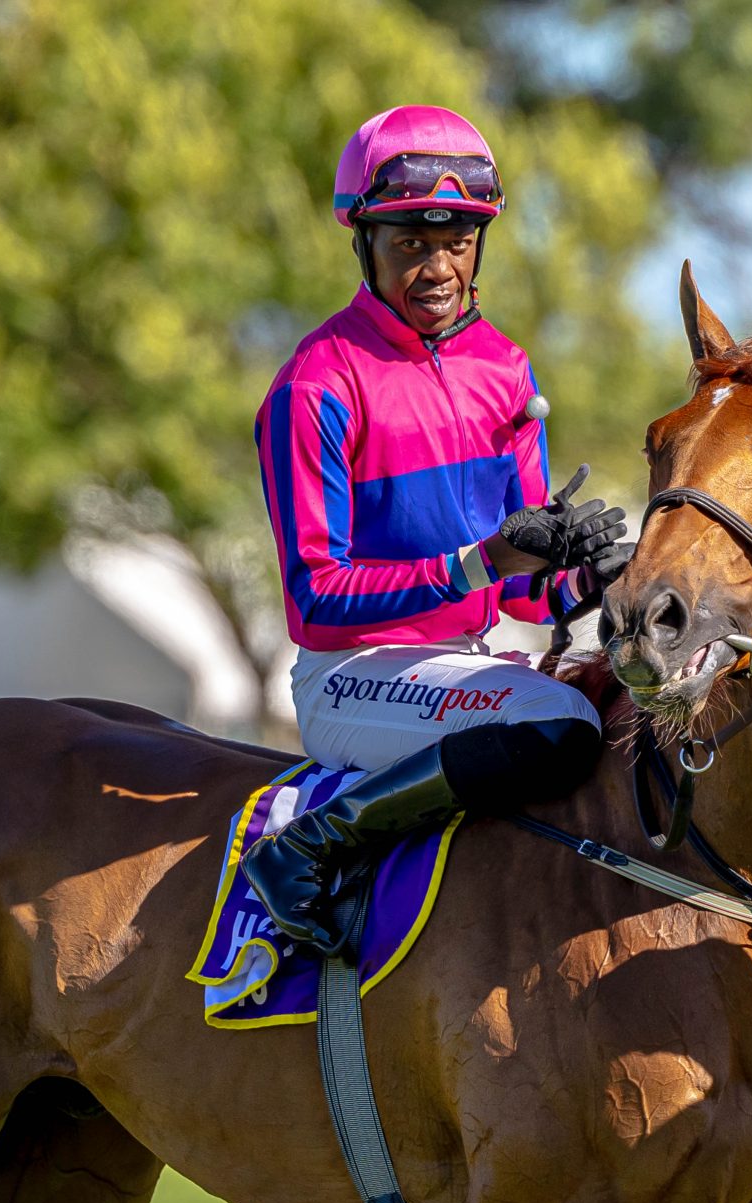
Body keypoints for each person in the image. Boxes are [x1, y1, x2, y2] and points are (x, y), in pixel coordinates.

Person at [243, 103, 629, 954]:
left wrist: (592, 574)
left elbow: (527, 596)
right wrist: (477, 563)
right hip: (351, 676)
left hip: (471, 660)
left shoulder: (506, 368)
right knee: (561, 730)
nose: (438, 266)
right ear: (364, 241)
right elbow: (314, 603)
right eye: (410, 241)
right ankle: (311, 844)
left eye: (456, 239)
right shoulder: (314, 386)